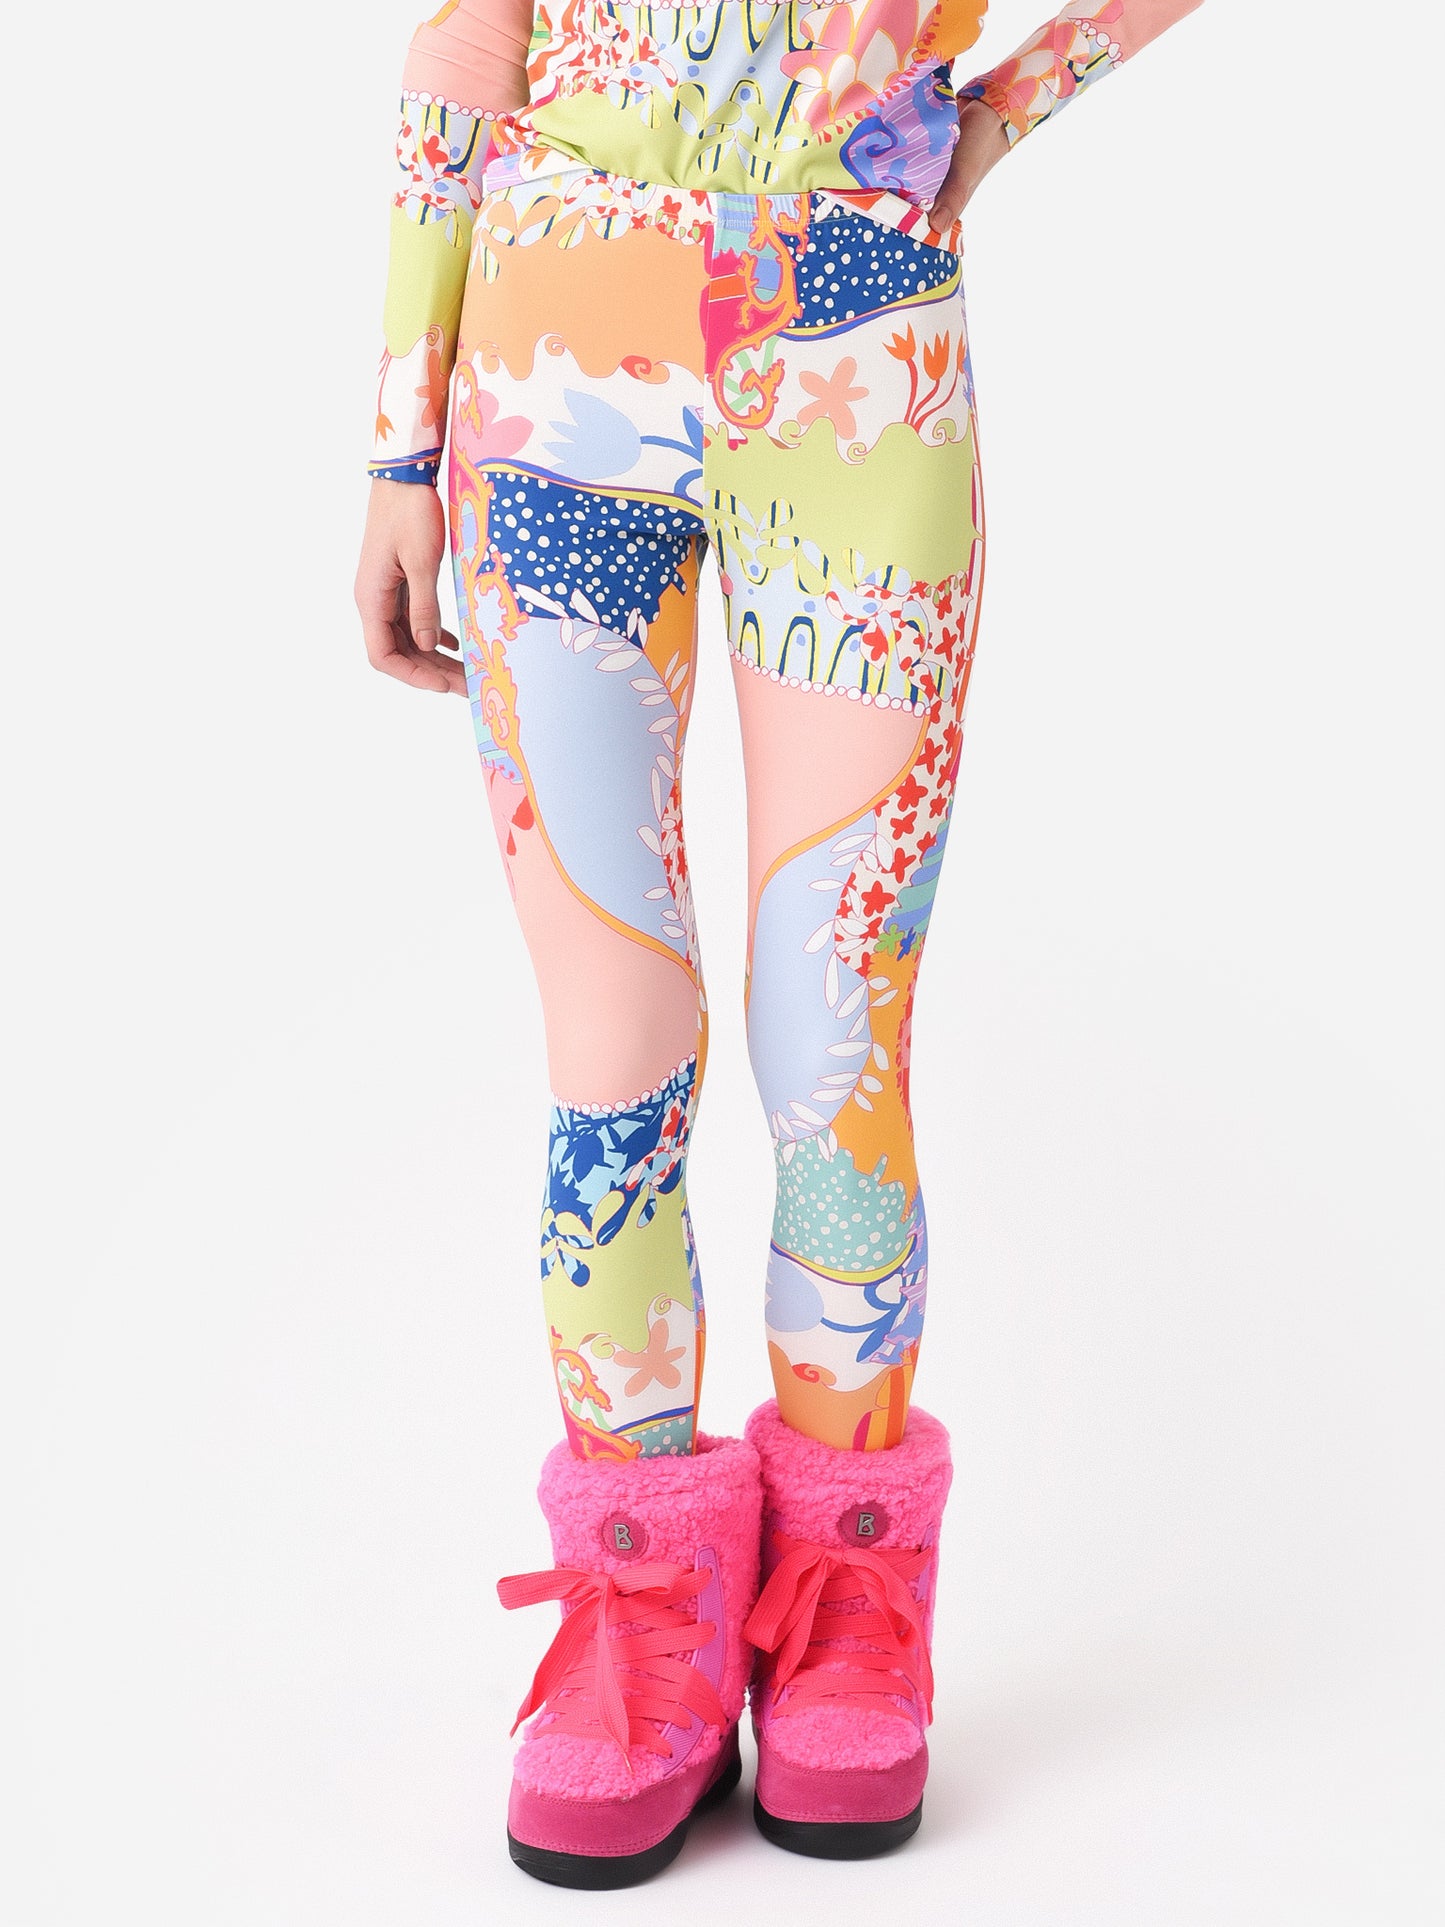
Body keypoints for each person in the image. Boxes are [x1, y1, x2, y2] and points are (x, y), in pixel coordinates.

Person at [353, 0, 1203, 1887]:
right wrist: (399, 445)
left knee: (833, 1031)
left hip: (857, 366)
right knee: (615, 1049)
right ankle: (642, 1600)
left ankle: (850, 1596)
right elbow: (467, 38)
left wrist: (991, 120)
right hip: (547, 381)